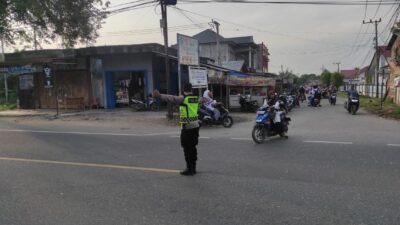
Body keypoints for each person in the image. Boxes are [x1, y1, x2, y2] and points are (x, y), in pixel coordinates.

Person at [153, 83, 200, 176]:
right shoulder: (196, 98)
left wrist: (159, 95)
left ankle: (189, 169)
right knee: (193, 148)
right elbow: (206, 100)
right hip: (195, 126)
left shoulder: (183, 99)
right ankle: (193, 168)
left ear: (183, 89)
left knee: (187, 148)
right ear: (191, 89)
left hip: (187, 127)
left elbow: (171, 98)